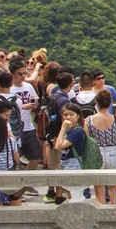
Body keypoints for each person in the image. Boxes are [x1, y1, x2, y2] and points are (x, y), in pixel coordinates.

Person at [85, 90, 116, 205]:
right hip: (113, 151)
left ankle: (101, 208)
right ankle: (113, 207)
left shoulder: (89, 119)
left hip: (97, 153)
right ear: (109, 103)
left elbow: (86, 139)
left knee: (99, 187)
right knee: (113, 186)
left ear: (97, 103)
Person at [43, 72, 73, 203]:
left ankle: (51, 191)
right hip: (59, 135)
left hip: (51, 133)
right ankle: (59, 196)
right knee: (59, 165)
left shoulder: (53, 96)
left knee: (53, 164)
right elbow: (64, 118)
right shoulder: (64, 100)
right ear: (70, 85)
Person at [9, 60, 43, 173]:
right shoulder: (10, 89)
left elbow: (35, 100)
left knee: (36, 157)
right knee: (14, 159)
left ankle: (26, 179)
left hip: (28, 127)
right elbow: (9, 108)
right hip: (15, 128)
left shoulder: (28, 86)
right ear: (12, 74)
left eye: (24, 73)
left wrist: (34, 105)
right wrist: (24, 106)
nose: (23, 76)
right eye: (19, 74)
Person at [53, 104, 86, 204]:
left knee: (73, 191)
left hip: (73, 162)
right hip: (66, 161)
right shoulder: (69, 130)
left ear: (78, 116)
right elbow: (57, 146)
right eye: (65, 115)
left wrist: (63, 128)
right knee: (70, 190)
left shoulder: (77, 131)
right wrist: (64, 129)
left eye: (71, 114)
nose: (68, 117)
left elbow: (59, 146)